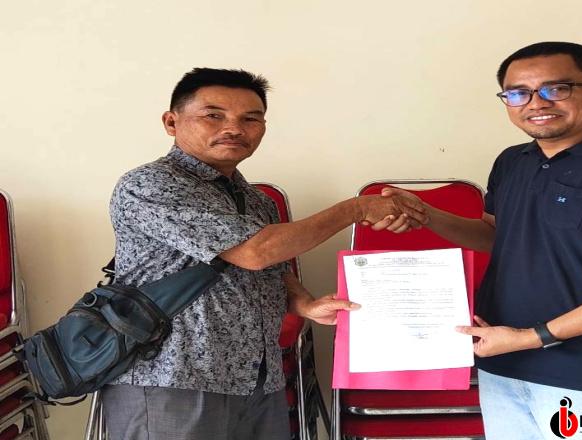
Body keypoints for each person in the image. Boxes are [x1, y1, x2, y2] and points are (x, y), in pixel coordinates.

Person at [380, 42, 582, 439]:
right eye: (518, 93)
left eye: (556, 88)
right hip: (504, 361)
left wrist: (532, 338)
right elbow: (496, 236)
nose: (536, 103)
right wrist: (426, 214)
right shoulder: (513, 161)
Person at [101, 67, 426, 440]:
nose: (234, 128)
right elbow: (255, 252)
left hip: (256, 376)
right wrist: (356, 209)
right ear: (171, 122)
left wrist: (305, 304)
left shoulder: (255, 200)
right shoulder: (150, 184)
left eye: (250, 119)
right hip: (173, 375)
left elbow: (271, 269)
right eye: (214, 116)